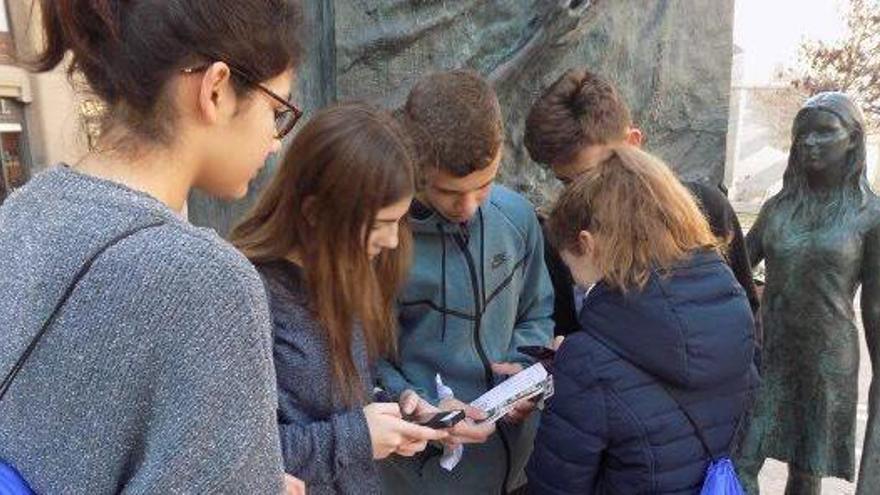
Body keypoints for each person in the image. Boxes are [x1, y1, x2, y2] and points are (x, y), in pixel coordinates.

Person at [0, 1, 304, 493]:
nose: (275, 141)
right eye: (277, 109)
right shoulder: (210, 282)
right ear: (217, 89)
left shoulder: (24, 210)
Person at [230, 102, 447, 494]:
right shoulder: (247, 293)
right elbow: (233, 455)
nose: (393, 240)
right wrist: (358, 437)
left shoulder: (344, 270)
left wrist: (396, 407)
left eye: (399, 221)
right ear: (315, 212)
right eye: (380, 224)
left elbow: (345, 393)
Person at [527, 145, 758, 494]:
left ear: (587, 244)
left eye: (570, 266)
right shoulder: (731, 314)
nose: (575, 282)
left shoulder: (586, 361)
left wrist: (575, 366)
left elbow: (556, 486)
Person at [376, 70, 555, 494]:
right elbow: (362, 355)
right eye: (450, 192)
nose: (470, 207)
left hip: (517, 466)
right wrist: (426, 407)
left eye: (485, 185)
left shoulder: (518, 218)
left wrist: (526, 371)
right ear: (417, 171)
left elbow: (537, 311)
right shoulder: (383, 240)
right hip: (424, 474)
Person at [524, 68, 761, 345]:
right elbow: (566, 333)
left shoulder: (706, 208)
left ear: (633, 142)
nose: (581, 196)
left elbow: (746, 319)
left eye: (591, 176)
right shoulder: (564, 235)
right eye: (566, 182)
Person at [736, 92, 880, 495]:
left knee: (805, 469)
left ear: (852, 138)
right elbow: (737, 268)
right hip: (772, 353)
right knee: (741, 460)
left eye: (825, 132)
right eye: (803, 134)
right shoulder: (778, 208)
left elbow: (875, 304)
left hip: (827, 359)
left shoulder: (871, 215)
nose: (810, 142)